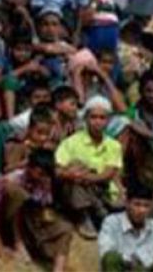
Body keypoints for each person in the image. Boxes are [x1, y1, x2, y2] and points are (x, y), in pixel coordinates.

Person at [56, 95, 125, 238]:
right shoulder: (71, 142)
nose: (97, 122)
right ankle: (83, 218)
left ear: (108, 120)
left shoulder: (114, 145)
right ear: (86, 119)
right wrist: (72, 174)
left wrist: (86, 176)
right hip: (77, 187)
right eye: (93, 117)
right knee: (76, 167)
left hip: (103, 189)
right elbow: (57, 169)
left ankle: (98, 211)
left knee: (81, 171)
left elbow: (109, 173)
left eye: (102, 118)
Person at [97, 197, 153, 272]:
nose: (142, 210)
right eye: (137, 204)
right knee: (111, 258)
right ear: (127, 204)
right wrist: (131, 263)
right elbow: (106, 252)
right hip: (122, 269)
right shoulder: (112, 222)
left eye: (146, 206)